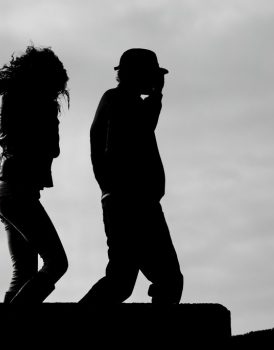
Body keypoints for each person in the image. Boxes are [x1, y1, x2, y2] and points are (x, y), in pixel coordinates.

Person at [79, 48, 183, 304]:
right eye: (153, 75)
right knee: (165, 279)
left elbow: (139, 127)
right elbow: (132, 137)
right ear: (138, 74)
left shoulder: (120, 100)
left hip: (125, 201)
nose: (157, 81)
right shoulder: (120, 100)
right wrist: (157, 96)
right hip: (133, 203)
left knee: (121, 282)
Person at [0, 45, 69, 303]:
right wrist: (49, 118)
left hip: (6, 190)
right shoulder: (35, 103)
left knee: (24, 271)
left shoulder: (14, 98)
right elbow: (52, 149)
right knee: (57, 263)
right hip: (18, 191)